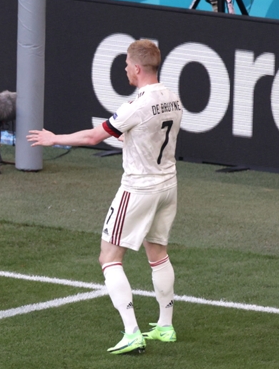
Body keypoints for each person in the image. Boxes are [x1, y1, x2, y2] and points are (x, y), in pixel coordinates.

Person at [27, 39, 182, 354]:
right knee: (158, 253)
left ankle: (132, 332)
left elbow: (93, 136)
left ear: (137, 68)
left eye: (126, 64)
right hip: (168, 185)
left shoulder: (136, 105)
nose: (125, 68)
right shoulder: (172, 98)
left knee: (109, 257)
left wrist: (53, 138)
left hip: (139, 188)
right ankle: (165, 326)